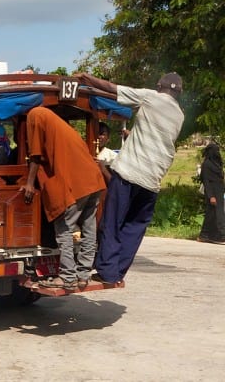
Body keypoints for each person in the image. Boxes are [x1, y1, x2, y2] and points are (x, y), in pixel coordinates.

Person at [77, 71, 185, 285]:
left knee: (113, 221)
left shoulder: (150, 97)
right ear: (179, 93)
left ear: (158, 85)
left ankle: (107, 271)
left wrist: (89, 79)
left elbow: (113, 88)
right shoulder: (180, 115)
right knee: (134, 227)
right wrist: (132, 134)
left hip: (128, 173)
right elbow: (156, 135)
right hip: (152, 180)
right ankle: (117, 273)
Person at [20, 106, 107, 290]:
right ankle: (83, 276)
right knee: (89, 228)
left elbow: (35, 155)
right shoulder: (57, 123)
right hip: (93, 179)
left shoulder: (35, 116)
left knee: (64, 229)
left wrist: (29, 183)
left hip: (77, 184)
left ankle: (67, 277)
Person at [198, 141, 225, 244]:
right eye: (215, 150)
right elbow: (206, 182)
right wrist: (211, 196)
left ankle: (205, 236)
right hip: (212, 193)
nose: (217, 152)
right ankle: (220, 236)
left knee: (212, 215)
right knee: (217, 215)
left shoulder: (217, 164)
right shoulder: (206, 164)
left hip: (219, 192)